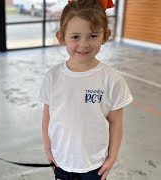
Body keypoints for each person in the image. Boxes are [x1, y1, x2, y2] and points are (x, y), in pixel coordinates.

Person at [39, 0, 133, 179]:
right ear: (62, 37)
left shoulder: (111, 79)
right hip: (61, 161)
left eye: (92, 36)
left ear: (105, 36)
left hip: (95, 165)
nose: (84, 44)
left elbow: (116, 123)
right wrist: (48, 149)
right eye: (75, 37)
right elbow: (47, 118)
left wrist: (112, 157)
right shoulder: (52, 77)